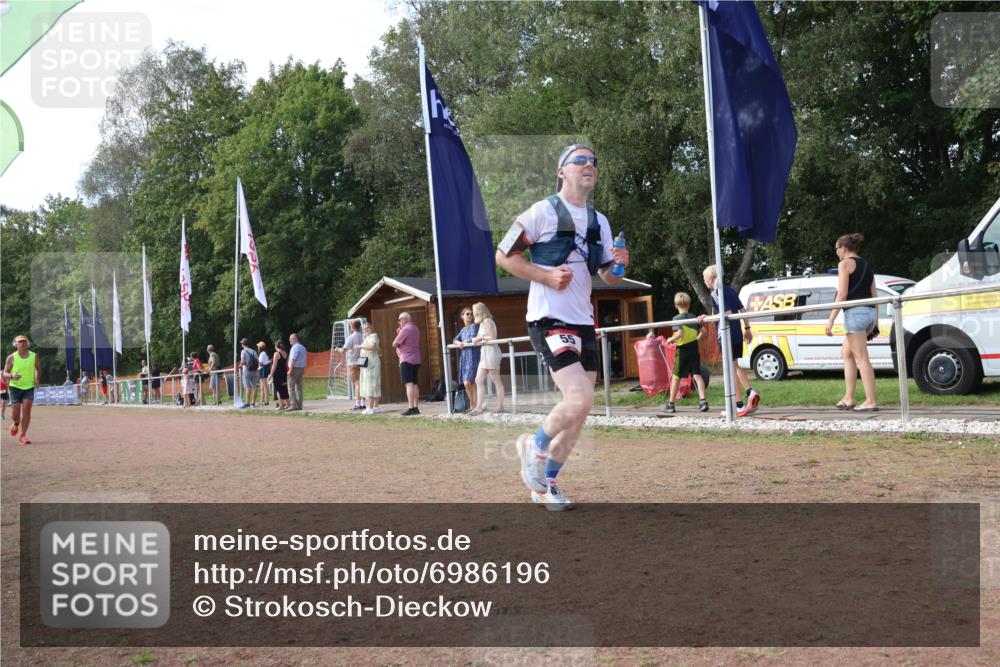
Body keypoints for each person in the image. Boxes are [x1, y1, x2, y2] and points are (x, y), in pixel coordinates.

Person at [495, 144, 629, 511]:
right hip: (548, 318)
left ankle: (546, 484)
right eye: (580, 161)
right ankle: (533, 446)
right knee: (580, 398)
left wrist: (619, 265)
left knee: (580, 411)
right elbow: (503, 255)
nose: (590, 165)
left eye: (594, 162)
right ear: (561, 171)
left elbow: (607, 276)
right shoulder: (541, 212)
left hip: (583, 320)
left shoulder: (599, 221)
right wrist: (545, 274)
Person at [826, 233, 879, 412]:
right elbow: (874, 295)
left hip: (855, 314)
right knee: (846, 354)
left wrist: (831, 320)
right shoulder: (867, 265)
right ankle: (849, 398)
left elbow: (841, 295)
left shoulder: (844, 264)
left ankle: (870, 401)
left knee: (862, 359)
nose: (836, 253)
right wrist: (875, 323)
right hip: (870, 313)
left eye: (836, 249)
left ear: (843, 247)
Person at [699, 265, 760, 418]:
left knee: (731, 369)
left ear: (712, 279)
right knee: (735, 365)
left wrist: (706, 319)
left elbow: (726, 313)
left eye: (705, 279)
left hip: (727, 335)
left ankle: (738, 405)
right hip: (737, 333)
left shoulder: (715, 293)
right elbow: (742, 310)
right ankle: (750, 392)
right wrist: (747, 328)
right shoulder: (730, 290)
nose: (704, 281)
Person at [663, 292, 709, 413]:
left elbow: (680, 333)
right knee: (697, 375)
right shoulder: (695, 318)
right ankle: (703, 401)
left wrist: (670, 339)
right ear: (689, 304)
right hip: (694, 349)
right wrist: (696, 338)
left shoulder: (676, 319)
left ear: (676, 306)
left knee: (676, 377)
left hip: (682, 350)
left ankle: (671, 404)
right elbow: (704, 332)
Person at [469, 302, 505, 414]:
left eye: (474, 312)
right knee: (478, 380)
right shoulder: (482, 323)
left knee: (496, 380)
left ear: (479, 312)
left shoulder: (487, 321)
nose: (473, 314)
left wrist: (480, 338)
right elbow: (483, 338)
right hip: (485, 353)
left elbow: (493, 337)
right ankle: (479, 407)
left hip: (491, 352)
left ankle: (500, 406)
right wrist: (477, 339)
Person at [4, 335, 40, 445]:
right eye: (20, 342)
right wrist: (12, 376)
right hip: (15, 387)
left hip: (28, 387)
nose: (22, 344)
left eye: (24, 342)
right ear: (15, 344)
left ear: (27, 343)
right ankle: (15, 423)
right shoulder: (11, 357)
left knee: (27, 409)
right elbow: (4, 373)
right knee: (15, 414)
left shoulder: (34, 356)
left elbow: (38, 369)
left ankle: (23, 435)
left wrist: (37, 379)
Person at [452, 307, 480, 413]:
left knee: (469, 381)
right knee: (466, 382)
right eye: (467, 314)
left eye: (471, 314)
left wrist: (463, 342)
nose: (469, 316)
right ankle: (473, 405)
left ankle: (475, 404)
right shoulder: (463, 330)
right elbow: (455, 339)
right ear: (462, 316)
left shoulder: (474, 326)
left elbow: (473, 338)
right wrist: (459, 343)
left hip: (473, 355)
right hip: (465, 356)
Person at [393, 312, 421, 416]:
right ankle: (416, 407)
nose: (399, 322)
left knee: (408, 384)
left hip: (406, 359)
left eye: (399, 320)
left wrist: (399, 332)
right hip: (416, 358)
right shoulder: (415, 328)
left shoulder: (405, 329)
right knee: (414, 384)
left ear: (405, 319)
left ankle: (410, 407)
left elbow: (394, 343)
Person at [339, 320, 366, 410]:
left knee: (356, 383)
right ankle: (362, 402)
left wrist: (337, 349)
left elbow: (344, 349)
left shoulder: (351, 337)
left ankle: (358, 403)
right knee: (361, 382)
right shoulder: (363, 336)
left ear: (353, 327)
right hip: (362, 362)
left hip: (353, 362)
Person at [358, 321, 382, 414]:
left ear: (371, 328)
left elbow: (372, 347)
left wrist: (360, 346)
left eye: (368, 328)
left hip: (371, 365)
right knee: (374, 384)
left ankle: (370, 407)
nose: (366, 330)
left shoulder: (373, 336)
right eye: (364, 328)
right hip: (368, 365)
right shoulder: (367, 337)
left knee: (371, 385)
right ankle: (376, 407)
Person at [287, 333, 307, 411]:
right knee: (299, 388)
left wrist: (290, 370)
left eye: (291, 338)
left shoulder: (294, 348)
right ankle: (300, 405)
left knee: (290, 387)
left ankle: (293, 405)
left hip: (294, 369)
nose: (289, 340)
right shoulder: (303, 347)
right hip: (301, 369)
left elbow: (293, 359)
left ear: (295, 339)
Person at [269, 340, 290, 411]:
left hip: (277, 374)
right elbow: (286, 364)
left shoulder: (276, 354)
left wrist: (270, 375)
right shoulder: (285, 353)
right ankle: (288, 403)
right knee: (284, 389)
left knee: (278, 390)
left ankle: (280, 405)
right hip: (283, 373)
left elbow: (274, 366)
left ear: (276, 346)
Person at [238, 338, 259, 407]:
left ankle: (247, 403)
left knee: (247, 387)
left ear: (243, 344)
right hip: (254, 370)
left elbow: (243, 361)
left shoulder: (243, 351)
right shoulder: (254, 351)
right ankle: (253, 402)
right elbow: (257, 361)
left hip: (246, 370)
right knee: (255, 386)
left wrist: (240, 365)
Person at [257, 342, 271, 406]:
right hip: (263, 370)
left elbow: (260, 363)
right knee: (262, 387)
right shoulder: (265, 353)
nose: (257, 347)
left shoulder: (262, 353)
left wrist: (257, 363)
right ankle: (262, 401)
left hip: (262, 370)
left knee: (264, 386)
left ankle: (266, 401)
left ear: (260, 347)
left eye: (258, 346)